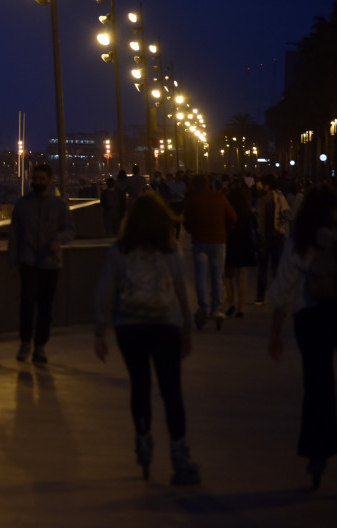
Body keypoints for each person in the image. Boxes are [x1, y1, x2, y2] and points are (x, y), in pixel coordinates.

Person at [93, 191, 200, 485]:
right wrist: (188, 330)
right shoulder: (170, 250)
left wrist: (100, 331)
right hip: (164, 325)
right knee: (171, 391)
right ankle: (179, 456)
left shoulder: (119, 250)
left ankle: (143, 441)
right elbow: (181, 289)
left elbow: (105, 290)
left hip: (130, 326)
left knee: (139, 386)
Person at [267, 184, 337, 490]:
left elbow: (284, 287)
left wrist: (276, 330)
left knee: (317, 385)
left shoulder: (300, 241)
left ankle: (317, 453)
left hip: (309, 317)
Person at [9, 163, 74, 364]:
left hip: (50, 263)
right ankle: (25, 342)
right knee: (27, 304)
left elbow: (70, 230)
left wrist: (59, 239)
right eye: (35, 179)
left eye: (41, 179)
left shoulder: (60, 206)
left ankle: (40, 346)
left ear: (49, 180)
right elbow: (14, 236)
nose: (37, 182)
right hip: (28, 262)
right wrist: (13, 262)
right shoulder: (22, 205)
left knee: (46, 307)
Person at [182, 173, 237, 330]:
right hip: (219, 241)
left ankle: (204, 308)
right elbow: (233, 217)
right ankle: (217, 309)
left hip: (199, 241)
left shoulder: (193, 200)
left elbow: (186, 222)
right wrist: (226, 230)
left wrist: (194, 231)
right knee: (217, 277)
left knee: (200, 276)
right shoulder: (219, 198)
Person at [224, 178, 258, 318]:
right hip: (245, 246)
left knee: (228, 276)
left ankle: (231, 302)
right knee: (242, 280)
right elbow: (255, 228)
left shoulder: (229, 211)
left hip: (230, 244)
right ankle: (241, 308)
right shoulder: (248, 213)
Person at [256, 174, 292, 304]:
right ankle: (279, 295)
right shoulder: (280, 197)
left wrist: (260, 236)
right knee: (277, 268)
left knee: (263, 268)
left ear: (267, 185)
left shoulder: (264, 200)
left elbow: (261, 220)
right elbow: (287, 214)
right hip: (278, 236)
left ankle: (260, 296)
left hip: (266, 237)